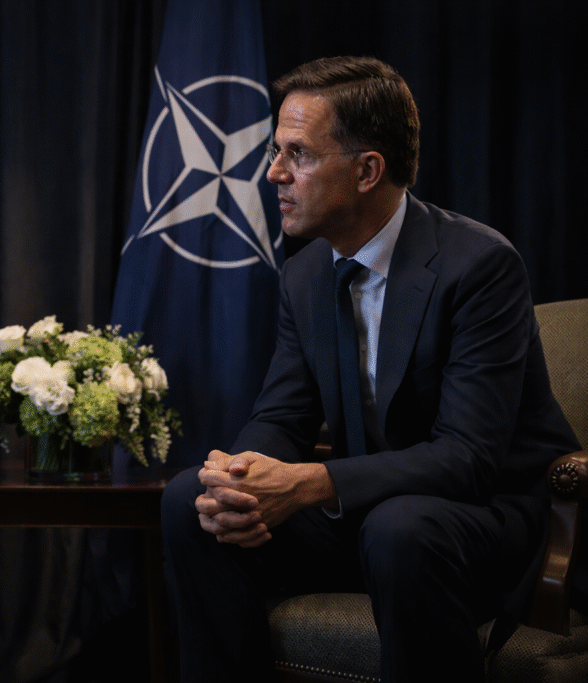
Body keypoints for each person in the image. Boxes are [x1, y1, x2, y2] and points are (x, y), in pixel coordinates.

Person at [160, 56, 581, 682]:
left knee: (400, 528)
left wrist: (307, 483)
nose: (274, 173)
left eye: (297, 154)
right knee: (188, 499)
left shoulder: (479, 266)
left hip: (481, 522)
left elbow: (467, 459)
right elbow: (281, 415)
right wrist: (239, 481)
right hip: (369, 518)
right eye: (276, 152)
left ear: (366, 170)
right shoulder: (304, 274)